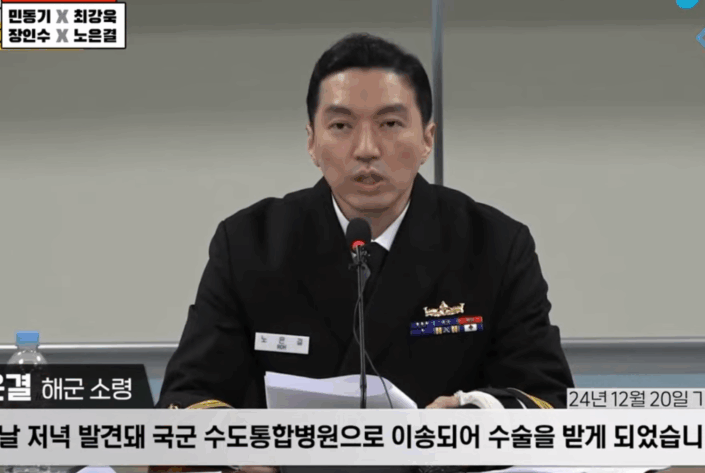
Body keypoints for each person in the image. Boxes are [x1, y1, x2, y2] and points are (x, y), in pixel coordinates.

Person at [153, 33, 575, 472]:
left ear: (427, 139)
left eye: (390, 124)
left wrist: (470, 421)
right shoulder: (250, 243)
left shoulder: (494, 245)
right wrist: (236, 446)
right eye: (341, 126)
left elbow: (547, 399)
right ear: (312, 141)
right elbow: (187, 397)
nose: (367, 149)